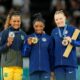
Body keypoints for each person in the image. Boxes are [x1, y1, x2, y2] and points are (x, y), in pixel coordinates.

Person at [22, 13, 53, 80]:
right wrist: (28, 45)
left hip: (46, 70)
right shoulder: (28, 38)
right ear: (33, 26)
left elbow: (51, 55)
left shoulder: (49, 38)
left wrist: (52, 70)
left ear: (44, 26)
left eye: (41, 26)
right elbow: (24, 54)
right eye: (36, 26)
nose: (38, 28)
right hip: (33, 70)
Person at [51, 10, 80, 80]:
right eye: (56, 19)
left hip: (70, 64)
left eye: (60, 18)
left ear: (65, 18)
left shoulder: (73, 29)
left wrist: (72, 41)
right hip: (58, 66)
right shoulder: (54, 31)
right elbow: (51, 49)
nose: (59, 21)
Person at [0, 11, 26, 80]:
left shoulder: (23, 34)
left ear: (20, 22)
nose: (16, 23)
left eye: (18, 21)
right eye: (14, 21)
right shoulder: (4, 33)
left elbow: (25, 49)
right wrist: (8, 44)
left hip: (19, 66)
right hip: (7, 66)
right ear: (10, 21)